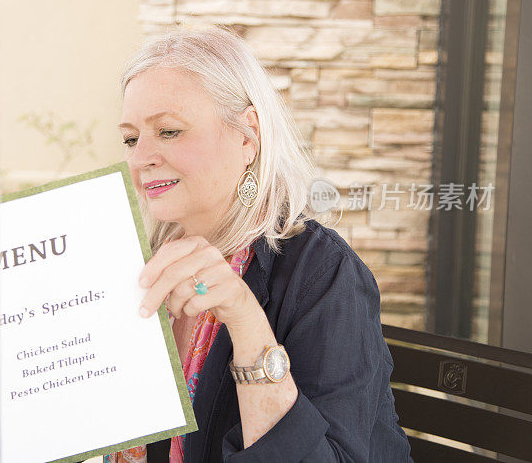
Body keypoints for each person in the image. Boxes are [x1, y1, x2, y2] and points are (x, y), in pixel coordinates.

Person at [107, 27, 411, 462]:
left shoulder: (323, 274)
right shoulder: (142, 266)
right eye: (131, 138)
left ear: (247, 136)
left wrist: (243, 315)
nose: (140, 158)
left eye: (169, 131)